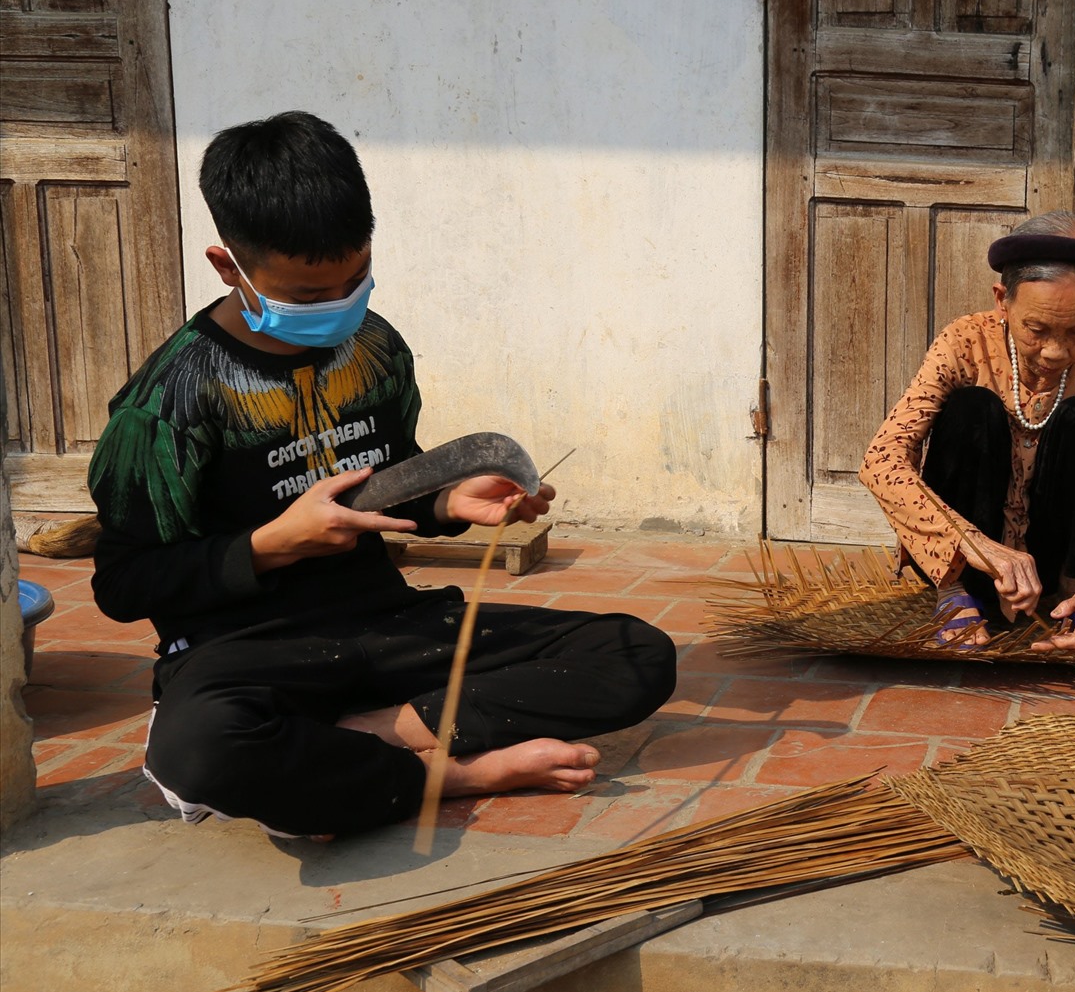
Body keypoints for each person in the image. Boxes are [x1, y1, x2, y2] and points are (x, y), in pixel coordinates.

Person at [88, 111, 676, 839]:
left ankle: (363, 737)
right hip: (249, 653)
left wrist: (447, 500)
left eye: (356, 279)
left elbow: (381, 485)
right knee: (201, 749)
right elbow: (122, 584)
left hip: (388, 627)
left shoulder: (373, 347)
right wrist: (273, 544)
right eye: (307, 296)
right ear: (226, 266)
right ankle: (457, 772)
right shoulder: (167, 403)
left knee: (635, 654)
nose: (338, 307)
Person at [860, 212, 1075, 649]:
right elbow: (882, 460)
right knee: (971, 407)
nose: (1057, 351)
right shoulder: (963, 341)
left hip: (1054, 557)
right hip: (968, 554)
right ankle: (953, 593)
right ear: (1002, 299)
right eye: (1037, 329)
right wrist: (974, 544)